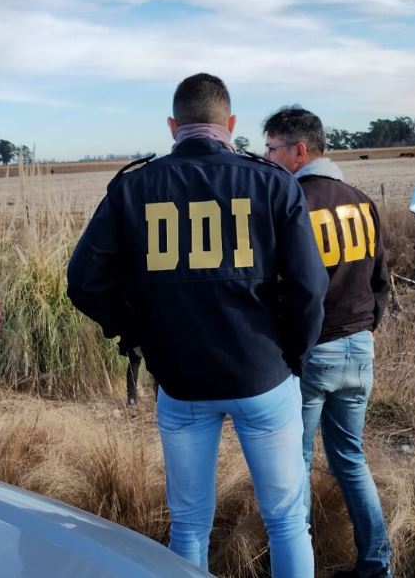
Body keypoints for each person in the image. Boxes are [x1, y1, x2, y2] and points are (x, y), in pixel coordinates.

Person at [67, 73, 328, 576]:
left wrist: (136, 333)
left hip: (180, 379)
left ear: (173, 126)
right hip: (262, 373)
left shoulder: (133, 187)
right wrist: (293, 355)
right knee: (286, 520)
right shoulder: (272, 182)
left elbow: (83, 281)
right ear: (231, 124)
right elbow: (310, 288)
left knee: (188, 525)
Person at [263, 107, 393, 578]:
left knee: (294, 463)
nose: (266, 158)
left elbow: (285, 287)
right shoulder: (361, 200)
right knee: (351, 460)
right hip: (359, 350)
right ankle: (376, 564)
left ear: (299, 151)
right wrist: (367, 328)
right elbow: (381, 279)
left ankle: (298, 566)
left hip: (314, 352)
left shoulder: (292, 202)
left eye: (272, 148)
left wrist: (292, 348)